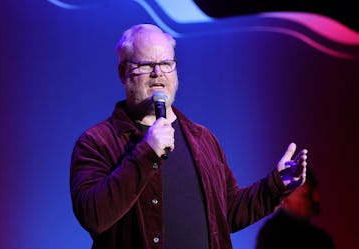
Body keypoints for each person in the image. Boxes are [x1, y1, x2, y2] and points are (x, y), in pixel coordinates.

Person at [69, 23, 308, 249]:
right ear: (123, 72)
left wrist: (276, 185)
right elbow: (94, 216)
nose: (157, 73)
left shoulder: (202, 138)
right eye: (145, 65)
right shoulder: (96, 142)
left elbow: (228, 213)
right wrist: (146, 154)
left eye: (166, 63)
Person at [255, 168, 335, 249]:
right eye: (307, 195)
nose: (317, 198)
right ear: (284, 199)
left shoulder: (321, 238)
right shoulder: (272, 235)